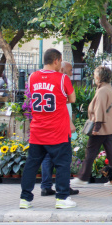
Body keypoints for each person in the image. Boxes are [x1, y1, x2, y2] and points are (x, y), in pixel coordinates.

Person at [19, 48, 77, 209]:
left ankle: (25, 199)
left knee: (31, 165)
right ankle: (62, 198)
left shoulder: (32, 77)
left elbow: (31, 96)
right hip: (58, 130)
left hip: (37, 130)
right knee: (62, 164)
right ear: (57, 60)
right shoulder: (62, 78)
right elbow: (72, 98)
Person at [71, 66, 112, 187]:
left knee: (90, 152)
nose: (94, 77)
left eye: (95, 74)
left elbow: (99, 109)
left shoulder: (102, 91)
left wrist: (96, 127)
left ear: (99, 77)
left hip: (101, 128)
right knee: (111, 154)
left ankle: (82, 178)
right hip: (110, 127)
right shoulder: (111, 89)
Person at [40, 61, 80, 197]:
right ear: (61, 68)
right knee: (63, 158)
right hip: (61, 127)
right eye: (69, 70)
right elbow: (63, 106)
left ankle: (46, 186)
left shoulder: (48, 81)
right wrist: (70, 124)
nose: (71, 73)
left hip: (47, 126)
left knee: (47, 157)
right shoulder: (62, 81)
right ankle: (63, 187)